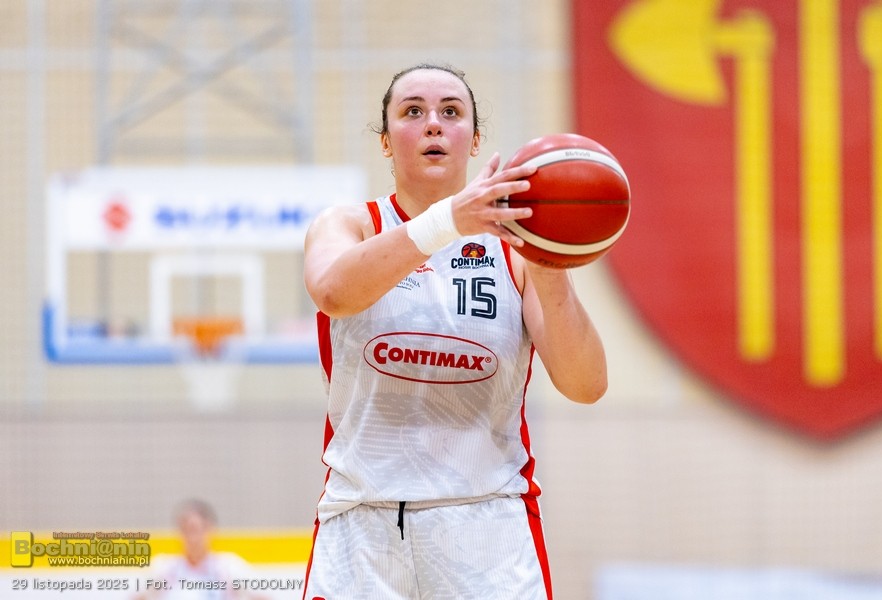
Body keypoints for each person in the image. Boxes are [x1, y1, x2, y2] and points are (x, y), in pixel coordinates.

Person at [302, 63, 607, 600]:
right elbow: (332, 292)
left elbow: (586, 384)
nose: (433, 124)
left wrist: (549, 262)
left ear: (475, 140)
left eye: (450, 111)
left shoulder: (516, 250)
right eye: (412, 111)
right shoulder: (349, 225)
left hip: (487, 528)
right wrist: (449, 221)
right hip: (361, 525)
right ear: (385, 142)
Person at [132, 499, 270, 600]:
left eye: (196, 529)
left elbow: (263, 596)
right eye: (187, 529)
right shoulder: (164, 568)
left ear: (210, 529)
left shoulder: (229, 566)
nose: (193, 537)